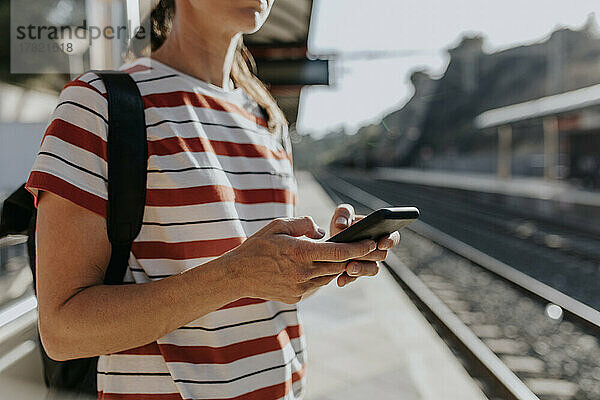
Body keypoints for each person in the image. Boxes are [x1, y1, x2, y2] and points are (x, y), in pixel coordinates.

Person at [26, 0, 401, 398]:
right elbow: (62, 329)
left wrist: (320, 258)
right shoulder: (99, 103)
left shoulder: (266, 119)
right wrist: (237, 275)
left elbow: (263, 280)